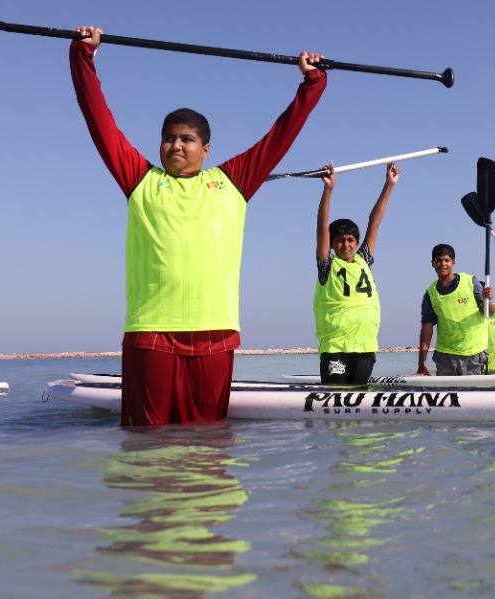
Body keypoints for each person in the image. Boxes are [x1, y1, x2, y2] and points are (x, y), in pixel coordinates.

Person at [71, 26, 327, 427]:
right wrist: (84, 57)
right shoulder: (140, 180)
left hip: (216, 335)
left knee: (209, 446)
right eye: (169, 138)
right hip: (151, 334)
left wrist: (312, 83)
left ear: (205, 149)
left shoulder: (234, 181)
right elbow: (99, 120)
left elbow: (281, 134)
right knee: (146, 445)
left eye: (187, 139)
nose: (176, 145)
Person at [314, 161, 400, 383]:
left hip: (364, 344)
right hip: (336, 346)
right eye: (340, 241)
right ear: (332, 244)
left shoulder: (364, 260)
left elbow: (375, 222)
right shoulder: (328, 265)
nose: (346, 245)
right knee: (336, 398)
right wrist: (328, 189)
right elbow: (322, 227)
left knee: (358, 398)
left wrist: (389, 185)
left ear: (357, 242)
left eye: (350, 240)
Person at [416, 244, 495, 376]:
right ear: (433, 264)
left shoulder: (470, 281)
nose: (443, 264)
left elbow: (489, 312)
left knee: (471, 395)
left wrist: (487, 298)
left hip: (473, 352)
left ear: (453, 263)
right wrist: (422, 363)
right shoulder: (430, 293)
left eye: (446, 260)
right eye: (438, 260)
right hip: (445, 356)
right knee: (447, 394)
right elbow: (427, 329)